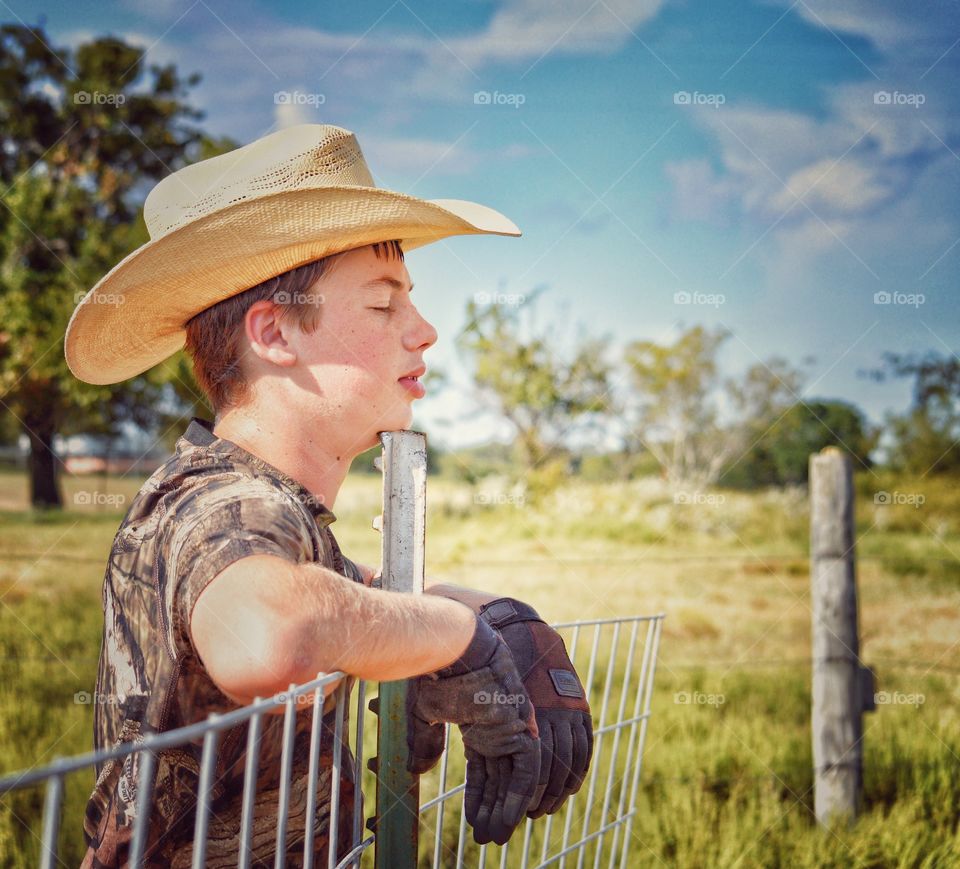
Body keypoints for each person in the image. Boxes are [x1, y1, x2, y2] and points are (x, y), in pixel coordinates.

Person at [65, 124, 592, 867]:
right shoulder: (218, 504)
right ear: (275, 331)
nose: (426, 331)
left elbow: (354, 595)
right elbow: (269, 629)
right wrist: (459, 641)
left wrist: (499, 619)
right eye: (384, 306)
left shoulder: (276, 513)